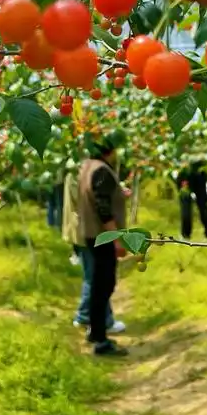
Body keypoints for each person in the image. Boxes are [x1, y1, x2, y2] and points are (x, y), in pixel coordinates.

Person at [77, 132, 128, 356]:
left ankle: (95, 331)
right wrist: (116, 239)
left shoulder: (87, 166)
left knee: (99, 284)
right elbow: (103, 207)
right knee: (103, 285)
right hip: (101, 236)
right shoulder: (101, 170)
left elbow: (99, 196)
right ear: (109, 150)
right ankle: (100, 341)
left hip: (91, 234)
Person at [63, 164, 123, 335]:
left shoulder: (78, 169)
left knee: (95, 276)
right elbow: (91, 201)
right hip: (86, 230)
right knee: (96, 277)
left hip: (82, 229)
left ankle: (95, 318)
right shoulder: (81, 171)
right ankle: (91, 318)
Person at [176, 156, 207, 240]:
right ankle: (186, 234)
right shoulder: (184, 171)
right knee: (187, 209)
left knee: (201, 206)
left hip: (196, 174)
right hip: (187, 175)